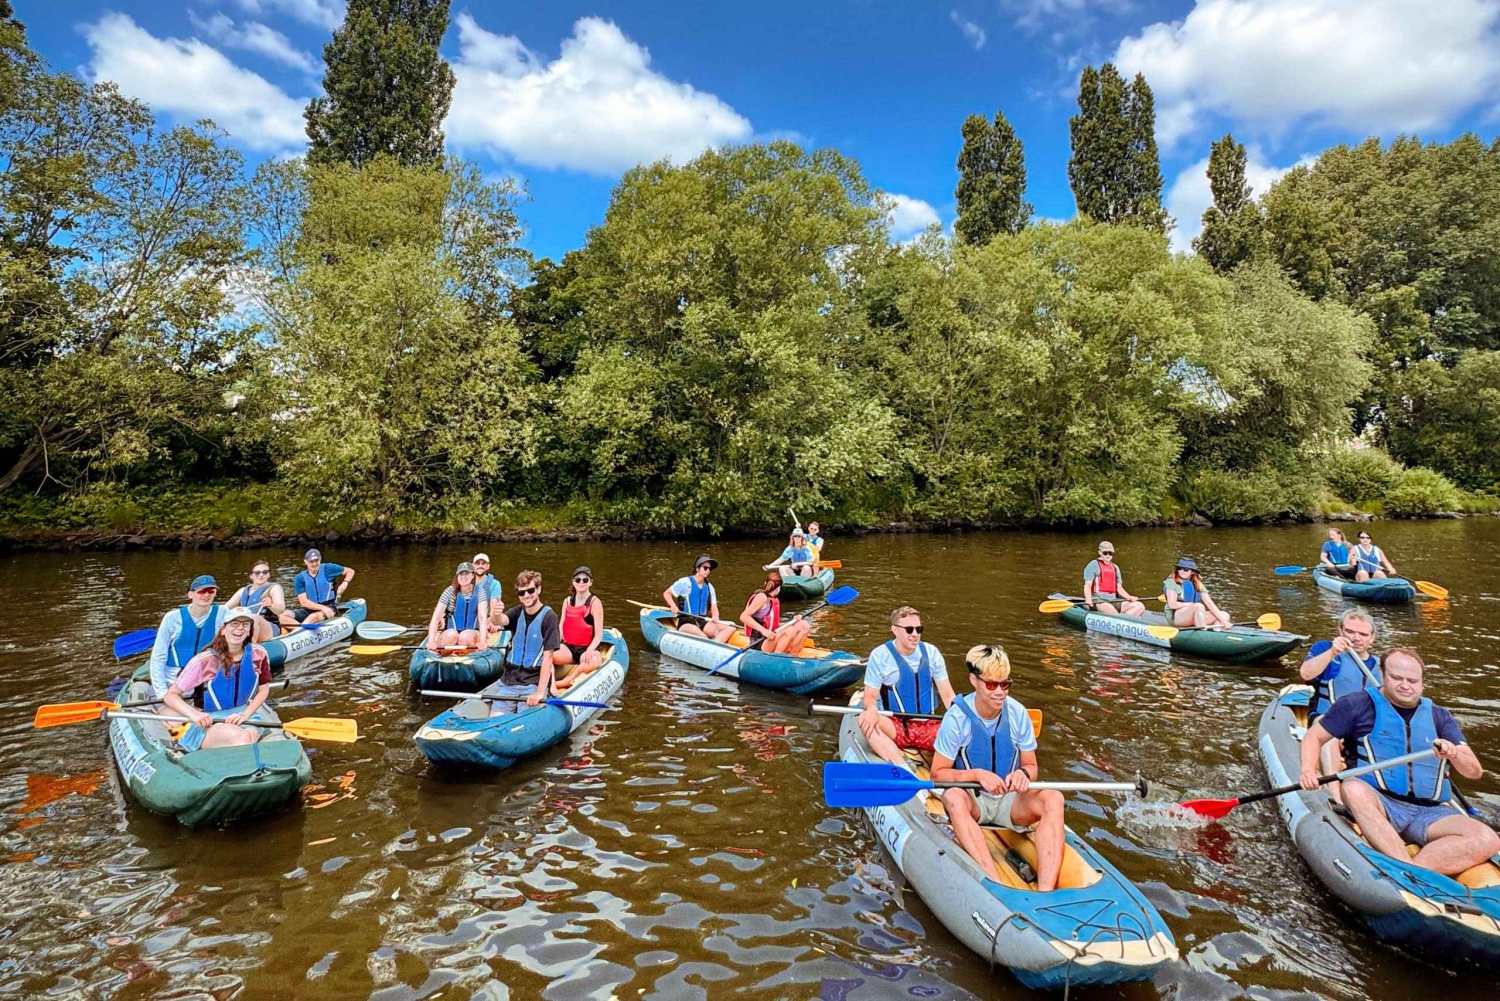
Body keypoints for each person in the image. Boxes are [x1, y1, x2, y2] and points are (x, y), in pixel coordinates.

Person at [1299, 648, 1499, 875]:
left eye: (1412, 680)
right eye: (1397, 678)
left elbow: (1475, 772)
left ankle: (1412, 872)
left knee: (1488, 838)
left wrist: (1454, 754)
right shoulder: (1356, 705)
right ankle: (1403, 866)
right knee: (1353, 788)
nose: (1405, 685)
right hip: (1380, 802)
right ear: (1383, 676)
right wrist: (1307, 770)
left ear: (1422, 683)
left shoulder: (1439, 716)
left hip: (1430, 812)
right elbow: (1314, 736)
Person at [931, 644, 1064, 891]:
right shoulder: (956, 718)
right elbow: (937, 774)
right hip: (974, 800)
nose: (1000, 692)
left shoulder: (1017, 713)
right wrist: (977, 775)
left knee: (1054, 798)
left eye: (1005, 684)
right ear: (974, 680)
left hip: (1009, 801)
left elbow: (1031, 765)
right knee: (952, 797)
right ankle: (994, 883)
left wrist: (1023, 774)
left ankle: (1047, 891)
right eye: (992, 685)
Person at [857, 605, 957, 767]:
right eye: (909, 629)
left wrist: (961, 720)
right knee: (864, 718)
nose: (915, 634)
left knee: (961, 732)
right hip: (896, 726)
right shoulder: (880, 656)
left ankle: (947, 771)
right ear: (895, 630)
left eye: (919, 629)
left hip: (929, 724)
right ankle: (902, 766)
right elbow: (870, 696)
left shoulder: (932, 653)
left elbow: (948, 695)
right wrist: (871, 709)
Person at [161, 608, 273, 750]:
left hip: (244, 716)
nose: (240, 628)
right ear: (223, 629)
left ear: (250, 630)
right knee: (242, 738)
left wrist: (246, 714)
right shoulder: (204, 661)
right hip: (210, 720)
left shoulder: (259, 654)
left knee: (248, 737)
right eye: (234, 623)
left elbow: (263, 690)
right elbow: (171, 696)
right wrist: (194, 715)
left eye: (245, 624)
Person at [1300, 608, 1381, 799]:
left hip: (1362, 727)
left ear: (1372, 638)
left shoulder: (1381, 665)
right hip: (1328, 720)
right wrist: (1332, 652)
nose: (1356, 638)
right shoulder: (1325, 650)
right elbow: (1306, 674)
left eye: (1363, 634)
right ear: (1340, 631)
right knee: (1330, 733)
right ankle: (1334, 793)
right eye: (1350, 632)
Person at [490, 570, 562, 711]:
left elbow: (548, 658)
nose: (526, 596)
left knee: (525, 716)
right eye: (521, 593)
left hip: (533, 681)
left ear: (539, 589)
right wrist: (495, 613)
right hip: (510, 680)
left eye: (530, 590)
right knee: (496, 718)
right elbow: (500, 620)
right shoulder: (517, 612)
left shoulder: (549, 617)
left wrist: (539, 693)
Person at [149, 575, 223, 697]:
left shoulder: (222, 613)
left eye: (211, 591)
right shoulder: (172, 618)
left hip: (205, 681)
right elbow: (158, 656)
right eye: (201, 591)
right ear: (190, 595)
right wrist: (162, 693)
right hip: (174, 680)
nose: (206, 595)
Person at [663, 556, 736, 642]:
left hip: (702, 621)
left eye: (709, 569)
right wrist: (673, 605)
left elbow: (714, 608)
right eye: (705, 568)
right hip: (686, 622)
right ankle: (709, 642)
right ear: (697, 569)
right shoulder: (685, 582)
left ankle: (716, 643)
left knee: (731, 628)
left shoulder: (709, 587)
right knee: (696, 631)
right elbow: (667, 593)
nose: (708, 571)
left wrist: (715, 616)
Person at [739, 571, 812, 655]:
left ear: (765, 583)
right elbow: (744, 617)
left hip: (770, 638)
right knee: (790, 630)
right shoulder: (761, 597)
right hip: (759, 642)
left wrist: (793, 621)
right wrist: (763, 630)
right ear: (779, 588)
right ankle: (776, 658)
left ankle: (793, 655)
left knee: (803, 624)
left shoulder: (772, 600)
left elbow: (772, 624)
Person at [425, 562, 489, 654]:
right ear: (457, 576)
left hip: (473, 632)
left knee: (465, 636)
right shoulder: (449, 591)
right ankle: (444, 656)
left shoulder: (480, 592)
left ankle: (468, 654)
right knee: (451, 635)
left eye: (466, 573)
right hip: (452, 631)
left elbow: (482, 618)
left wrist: (482, 641)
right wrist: (431, 641)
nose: (463, 577)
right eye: (461, 574)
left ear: (473, 576)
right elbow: (436, 618)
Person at [224, 560, 295, 641]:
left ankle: (252, 647)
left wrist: (271, 605)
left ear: (269, 574)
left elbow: (281, 609)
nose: (261, 575)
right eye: (257, 573)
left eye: (265, 572)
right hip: (245, 626)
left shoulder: (274, 588)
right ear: (251, 575)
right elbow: (225, 608)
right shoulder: (243, 591)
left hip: (269, 627)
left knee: (255, 618)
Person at [555, 566, 604, 672]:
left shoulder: (595, 603)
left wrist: (590, 650)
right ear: (573, 582)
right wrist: (554, 645)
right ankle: (551, 681)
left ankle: (565, 682)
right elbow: (561, 626)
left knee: (592, 661)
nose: (581, 582)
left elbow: (599, 634)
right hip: (568, 648)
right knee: (549, 655)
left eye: (585, 580)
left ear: (590, 582)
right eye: (578, 580)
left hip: (587, 648)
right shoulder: (567, 601)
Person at [1163, 558, 1231, 629]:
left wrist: (1223, 621)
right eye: (1180, 568)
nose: (1182, 571)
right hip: (1175, 616)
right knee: (1199, 606)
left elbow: (1209, 603)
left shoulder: (1198, 584)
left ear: (1192, 572)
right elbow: (1172, 604)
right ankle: (1202, 631)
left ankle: (1217, 630)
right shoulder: (1171, 582)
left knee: (1224, 615)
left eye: (1186, 569)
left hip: (1193, 614)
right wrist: (1191, 605)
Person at [1082, 541, 1145, 617]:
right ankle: (1120, 619)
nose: (1108, 555)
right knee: (1111, 610)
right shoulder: (1093, 565)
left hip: (1113, 600)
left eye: (1110, 553)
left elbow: (1119, 588)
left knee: (1139, 606)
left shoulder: (1115, 567)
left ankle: (1125, 620)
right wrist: (1088, 599)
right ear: (1100, 552)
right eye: (1105, 553)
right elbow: (1088, 586)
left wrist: (1129, 597)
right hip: (1098, 600)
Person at [293, 549, 353, 624]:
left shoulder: (328, 568)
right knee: (284, 615)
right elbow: (304, 602)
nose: (314, 564)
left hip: (330, 606)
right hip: (310, 608)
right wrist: (323, 608)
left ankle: (300, 630)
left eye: (316, 561)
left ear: (320, 559)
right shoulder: (300, 578)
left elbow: (350, 571)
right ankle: (296, 630)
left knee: (313, 617)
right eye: (311, 561)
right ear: (305, 562)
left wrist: (345, 582)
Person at [472, 553, 505, 631]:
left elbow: (494, 606)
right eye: (477, 563)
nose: (480, 566)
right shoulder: (466, 582)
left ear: (488, 566)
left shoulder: (495, 584)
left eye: (483, 563)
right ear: (473, 566)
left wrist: (492, 621)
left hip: (486, 618)